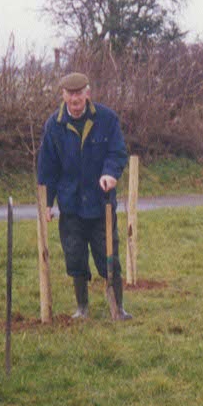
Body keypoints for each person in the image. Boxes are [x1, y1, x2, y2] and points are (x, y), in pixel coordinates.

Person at [36, 72, 130, 320]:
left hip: (101, 204)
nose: (75, 98)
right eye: (71, 93)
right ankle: (82, 308)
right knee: (75, 256)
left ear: (88, 93)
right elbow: (47, 167)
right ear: (63, 95)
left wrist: (110, 174)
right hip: (71, 207)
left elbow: (117, 152)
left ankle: (117, 308)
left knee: (108, 256)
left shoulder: (107, 119)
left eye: (80, 93)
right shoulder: (53, 126)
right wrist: (46, 203)